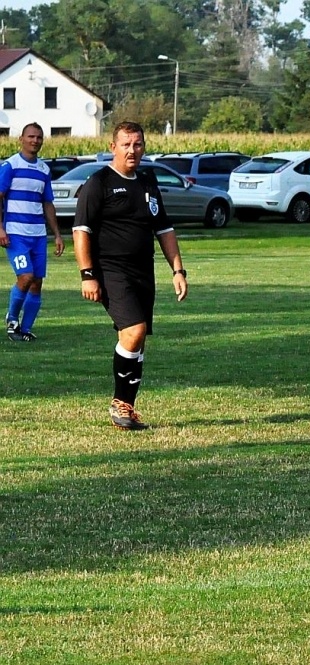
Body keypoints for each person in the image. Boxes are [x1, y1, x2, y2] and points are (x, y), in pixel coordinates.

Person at [72, 122, 188, 432]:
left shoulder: (148, 182)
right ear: (113, 147)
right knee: (134, 331)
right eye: (125, 144)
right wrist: (87, 275)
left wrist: (177, 270)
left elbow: (164, 229)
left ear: (144, 146)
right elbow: (81, 231)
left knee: (135, 341)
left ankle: (127, 409)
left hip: (143, 272)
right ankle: (119, 404)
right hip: (111, 270)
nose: (132, 150)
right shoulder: (99, 183)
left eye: (137, 144)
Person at [0, 123, 64, 342]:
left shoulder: (44, 170)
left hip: (38, 235)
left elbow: (47, 203)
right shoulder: (10, 166)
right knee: (25, 277)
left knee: (36, 283)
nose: (35, 140)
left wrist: (56, 234)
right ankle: (11, 319)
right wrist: (0, 228)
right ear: (21, 139)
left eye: (38, 137)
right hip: (15, 234)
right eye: (31, 136)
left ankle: (24, 330)